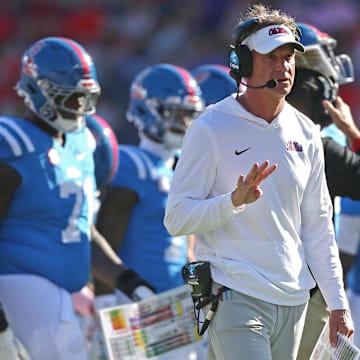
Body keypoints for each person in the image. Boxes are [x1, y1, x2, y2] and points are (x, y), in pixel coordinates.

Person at [164, 4, 354, 360]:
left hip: (294, 301)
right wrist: (232, 202)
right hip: (235, 295)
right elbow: (176, 218)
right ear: (244, 63)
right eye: (272, 57)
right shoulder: (210, 127)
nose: (283, 68)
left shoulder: (307, 132)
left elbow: (317, 228)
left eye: (288, 58)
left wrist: (337, 303)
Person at [0, 37, 154, 360]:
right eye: (70, 98)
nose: (79, 108)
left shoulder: (83, 142)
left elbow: (80, 230)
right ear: (38, 92)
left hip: (61, 293)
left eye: (85, 98)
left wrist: (126, 278)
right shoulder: (13, 145)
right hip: (18, 287)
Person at [94, 63, 205, 359]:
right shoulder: (133, 165)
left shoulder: (184, 167)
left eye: (189, 114)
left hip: (177, 304)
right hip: (134, 302)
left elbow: (187, 246)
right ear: (150, 109)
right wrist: (104, 303)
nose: (185, 122)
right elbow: (106, 240)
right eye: (176, 112)